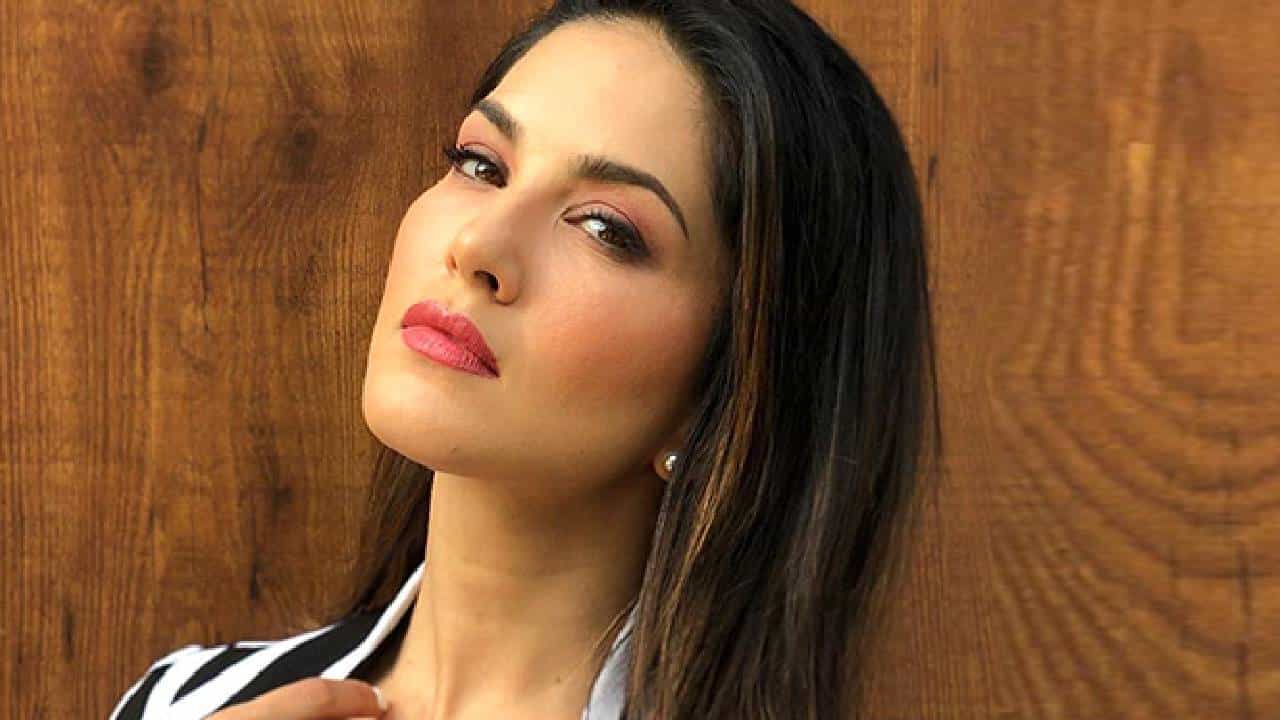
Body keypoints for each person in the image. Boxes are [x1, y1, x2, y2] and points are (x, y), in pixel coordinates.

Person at [108, 0, 942, 718]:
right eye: (482, 166)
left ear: (734, 381)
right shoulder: (183, 702)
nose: (479, 244)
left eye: (605, 228)